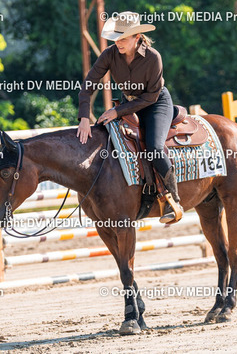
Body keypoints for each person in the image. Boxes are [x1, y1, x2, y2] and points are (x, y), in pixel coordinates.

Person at [76, 11, 183, 224]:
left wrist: (117, 112)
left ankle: (173, 200)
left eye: (123, 38)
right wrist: (84, 118)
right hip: (128, 104)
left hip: (155, 103)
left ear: (137, 37)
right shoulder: (109, 54)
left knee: (154, 147)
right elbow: (88, 86)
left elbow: (150, 97)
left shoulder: (153, 57)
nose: (118, 42)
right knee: (105, 139)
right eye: (116, 38)